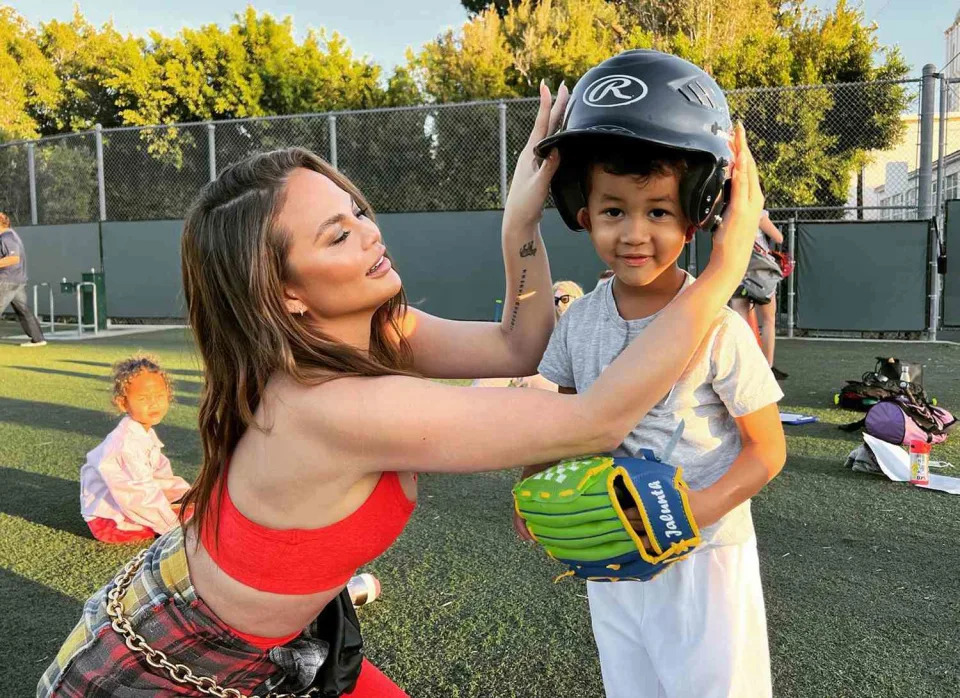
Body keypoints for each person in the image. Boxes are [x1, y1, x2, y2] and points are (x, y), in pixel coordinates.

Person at [39, 77, 764, 698]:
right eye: (335, 236)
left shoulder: (376, 332)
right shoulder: (333, 406)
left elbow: (520, 341)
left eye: (355, 211)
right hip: (173, 667)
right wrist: (725, 265)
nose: (369, 232)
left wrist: (520, 220)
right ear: (285, 291)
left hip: (289, 638)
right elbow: (598, 420)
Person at [522, 50, 786, 698]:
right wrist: (534, 485)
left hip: (706, 561)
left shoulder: (718, 325)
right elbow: (553, 420)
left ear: (697, 214)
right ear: (583, 211)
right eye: (614, 210)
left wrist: (690, 515)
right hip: (613, 554)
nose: (634, 234)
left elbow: (768, 450)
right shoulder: (578, 323)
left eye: (659, 212)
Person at [79, 355, 190, 544]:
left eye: (160, 396)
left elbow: (158, 476)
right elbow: (136, 496)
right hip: (110, 521)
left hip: (124, 504)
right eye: (143, 398)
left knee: (199, 503)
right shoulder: (125, 445)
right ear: (123, 403)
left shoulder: (143, 433)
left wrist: (184, 493)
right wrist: (172, 527)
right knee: (199, 516)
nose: (154, 403)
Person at [472, 279, 583, 390]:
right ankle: (475, 400)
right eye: (554, 300)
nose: (558, 304)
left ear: (578, 299)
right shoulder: (544, 332)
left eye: (564, 299)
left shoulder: (587, 332)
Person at [729, 210, 784, 369]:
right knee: (768, 321)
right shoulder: (757, 213)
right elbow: (779, 237)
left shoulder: (728, 212)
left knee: (741, 322)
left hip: (738, 271)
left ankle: (744, 366)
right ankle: (767, 366)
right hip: (760, 273)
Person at [0, 212, 47, 346]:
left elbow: (13, 258)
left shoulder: (7, 237)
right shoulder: (11, 235)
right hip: (17, 281)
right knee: (24, 311)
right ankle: (38, 339)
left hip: (7, 281)